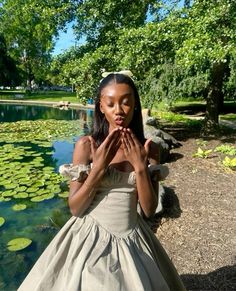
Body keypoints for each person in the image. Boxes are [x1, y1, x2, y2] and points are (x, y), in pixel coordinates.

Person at [18, 71, 186, 291]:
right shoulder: (87, 146)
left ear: (135, 105)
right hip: (90, 236)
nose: (119, 110)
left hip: (133, 235)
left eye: (126, 103)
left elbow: (148, 210)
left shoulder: (147, 148)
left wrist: (140, 167)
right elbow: (76, 208)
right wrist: (97, 169)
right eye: (111, 103)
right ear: (100, 106)